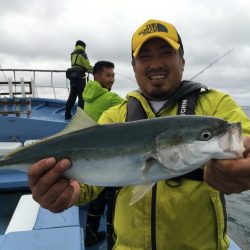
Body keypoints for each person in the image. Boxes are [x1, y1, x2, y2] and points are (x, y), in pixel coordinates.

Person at [28, 19, 250, 249]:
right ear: (134, 66)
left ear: (182, 61)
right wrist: (68, 191)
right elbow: (87, 184)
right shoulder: (115, 115)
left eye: (166, 53)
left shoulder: (215, 107)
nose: (156, 64)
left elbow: (244, 137)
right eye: (145, 57)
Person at [82, 60, 124, 247]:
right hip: (108, 154)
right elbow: (135, 109)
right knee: (111, 196)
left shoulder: (87, 94)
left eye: (113, 75)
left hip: (90, 153)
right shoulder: (110, 98)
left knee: (96, 198)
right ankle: (111, 238)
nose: (112, 79)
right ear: (96, 76)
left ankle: (90, 233)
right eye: (108, 75)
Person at [65, 40, 93, 120]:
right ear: (83, 46)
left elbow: (74, 65)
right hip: (80, 77)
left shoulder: (73, 54)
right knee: (81, 97)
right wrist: (96, 70)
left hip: (72, 77)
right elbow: (87, 66)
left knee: (72, 96)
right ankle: (79, 117)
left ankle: (67, 114)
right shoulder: (83, 54)